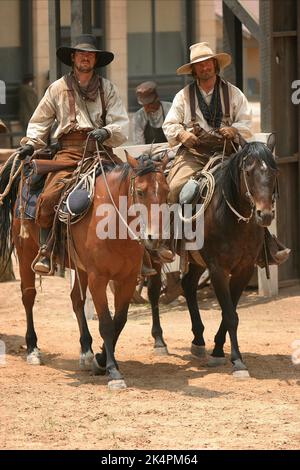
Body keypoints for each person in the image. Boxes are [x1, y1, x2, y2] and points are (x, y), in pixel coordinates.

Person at [163, 42, 289, 267]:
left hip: (229, 154)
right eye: (199, 65)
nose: (204, 68)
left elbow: (246, 122)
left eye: (207, 63)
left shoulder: (233, 92)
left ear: (215, 65)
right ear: (193, 70)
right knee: (175, 188)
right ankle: (171, 241)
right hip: (195, 154)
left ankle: (265, 246)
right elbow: (169, 124)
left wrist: (235, 130)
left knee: (252, 188)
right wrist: (182, 135)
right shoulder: (183, 96)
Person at [17, 34, 129, 274]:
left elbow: (120, 122)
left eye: (90, 54)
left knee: (131, 189)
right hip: (68, 153)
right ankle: (46, 250)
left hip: (101, 152)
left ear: (95, 60)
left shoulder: (107, 88)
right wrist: (31, 143)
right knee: (48, 198)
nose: (85, 58)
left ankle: (144, 250)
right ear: (73, 58)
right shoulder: (57, 88)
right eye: (81, 54)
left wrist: (107, 131)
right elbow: (40, 121)